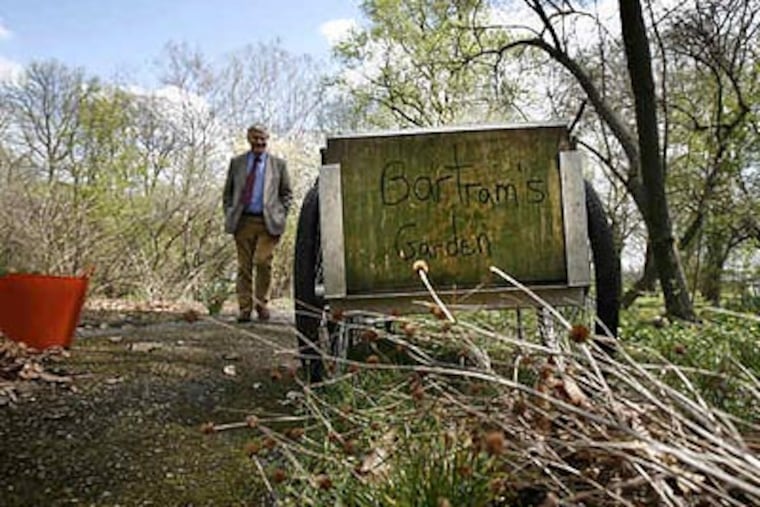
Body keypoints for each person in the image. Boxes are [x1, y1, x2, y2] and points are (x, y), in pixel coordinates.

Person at [223, 125, 293, 322]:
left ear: (267, 138)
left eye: (262, 138)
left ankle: (261, 303)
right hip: (242, 221)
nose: (259, 142)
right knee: (244, 267)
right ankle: (245, 309)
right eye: (255, 138)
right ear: (248, 138)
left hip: (268, 223)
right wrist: (229, 212)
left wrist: (281, 214)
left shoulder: (278, 164)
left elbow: (287, 194)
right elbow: (228, 193)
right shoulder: (237, 163)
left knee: (263, 262)